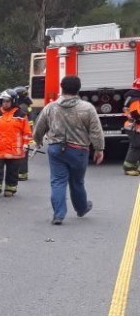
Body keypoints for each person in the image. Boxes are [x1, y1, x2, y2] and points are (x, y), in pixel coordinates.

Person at [32, 75, 105, 225]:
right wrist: (99, 149)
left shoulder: (51, 107)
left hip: (56, 149)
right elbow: (96, 131)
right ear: (78, 89)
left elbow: (39, 128)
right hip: (79, 151)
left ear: (61, 87)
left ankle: (58, 214)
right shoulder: (87, 108)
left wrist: (38, 141)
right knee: (77, 182)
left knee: (58, 181)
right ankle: (82, 208)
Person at [0, 90, 32, 197]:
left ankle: (10, 189)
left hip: (14, 150)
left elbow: (27, 132)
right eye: (3, 101)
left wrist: (25, 143)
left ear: (13, 101)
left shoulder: (21, 115)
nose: (5, 103)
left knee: (12, 170)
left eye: (8, 101)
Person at [13, 85, 34, 181]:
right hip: (25, 133)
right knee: (22, 154)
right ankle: (22, 173)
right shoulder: (26, 105)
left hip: (21, 134)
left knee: (21, 154)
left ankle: (21, 173)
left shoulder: (22, 108)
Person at [123, 77, 140, 175]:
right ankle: (129, 168)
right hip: (134, 127)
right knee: (136, 146)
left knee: (136, 145)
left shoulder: (131, 97)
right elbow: (137, 116)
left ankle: (133, 166)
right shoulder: (136, 100)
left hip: (132, 126)